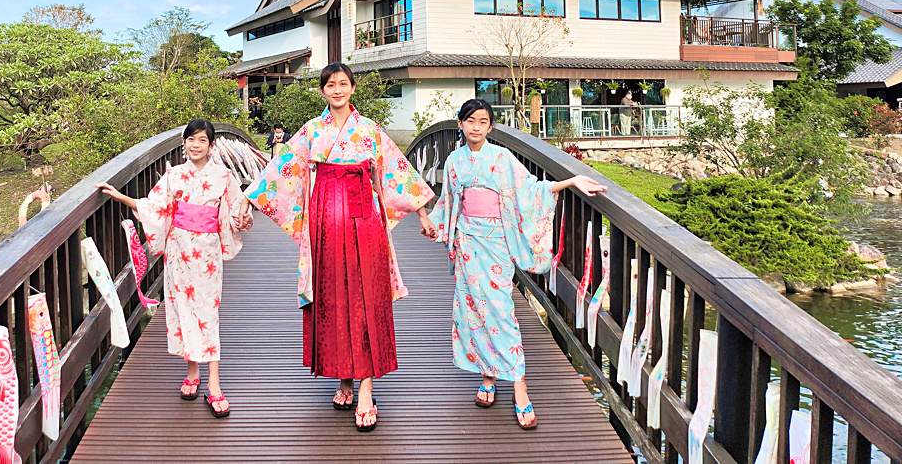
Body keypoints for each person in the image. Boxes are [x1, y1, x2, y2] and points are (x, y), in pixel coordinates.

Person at [245, 62, 436, 432]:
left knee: (366, 297)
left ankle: (365, 388)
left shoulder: (369, 130)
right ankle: (343, 378)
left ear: (352, 89)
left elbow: (397, 171)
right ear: (322, 91)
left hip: (365, 221)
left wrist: (423, 214)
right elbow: (280, 169)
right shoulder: (312, 131)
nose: (337, 90)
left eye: (343, 84)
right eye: (330, 85)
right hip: (324, 224)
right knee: (332, 298)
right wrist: (245, 199)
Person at [423, 99, 606, 429]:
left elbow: (531, 189)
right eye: (470, 121)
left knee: (500, 309)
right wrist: (435, 225)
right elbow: (449, 203)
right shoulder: (454, 161)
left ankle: (519, 384)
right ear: (461, 125)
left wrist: (571, 181)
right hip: (467, 242)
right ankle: (489, 377)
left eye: (483, 121)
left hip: (495, 242)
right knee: (472, 309)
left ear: (490, 127)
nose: (476, 127)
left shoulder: (502, 158)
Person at [98, 119, 253, 418]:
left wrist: (243, 219)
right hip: (178, 252)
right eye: (191, 140)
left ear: (212, 145)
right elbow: (155, 208)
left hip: (207, 254)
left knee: (208, 312)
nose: (195, 145)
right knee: (182, 309)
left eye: (202, 141)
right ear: (184, 143)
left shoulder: (223, 176)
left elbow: (237, 211)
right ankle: (192, 371)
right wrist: (121, 197)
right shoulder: (173, 176)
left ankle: (215, 383)